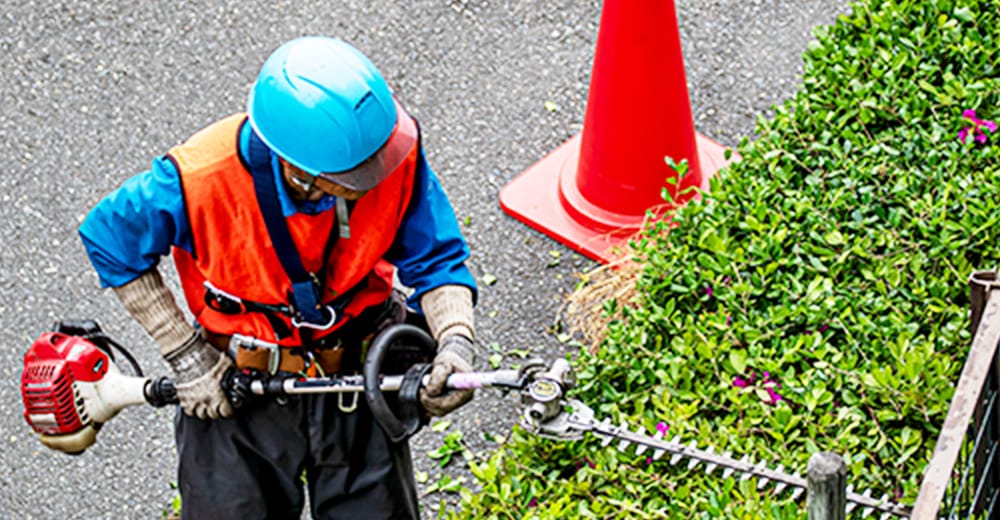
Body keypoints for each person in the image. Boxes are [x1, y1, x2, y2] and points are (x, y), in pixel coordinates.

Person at [78, 36, 478, 519]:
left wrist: (455, 342)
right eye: (355, 177)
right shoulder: (199, 179)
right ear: (299, 169)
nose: (377, 177)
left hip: (357, 374)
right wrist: (186, 355)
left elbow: (438, 259)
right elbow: (109, 239)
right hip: (239, 387)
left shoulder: (388, 153)